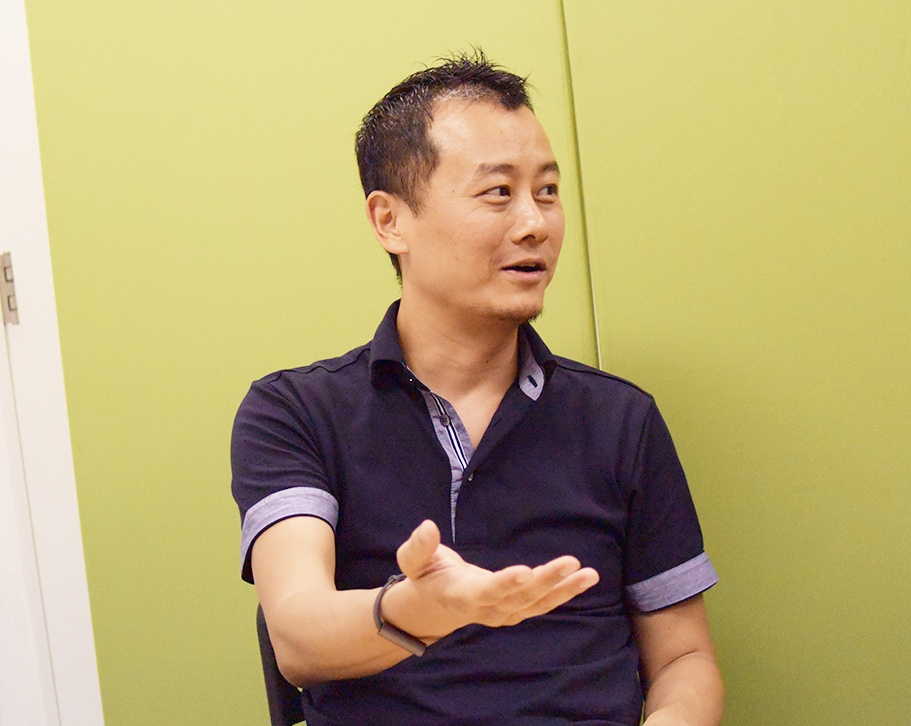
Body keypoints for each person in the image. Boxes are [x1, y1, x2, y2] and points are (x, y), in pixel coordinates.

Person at [232, 51, 723, 725]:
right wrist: (419, 609)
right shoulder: (295, 412)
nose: (535, 223)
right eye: (498, 192)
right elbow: (298, 636)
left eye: (547, 191)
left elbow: (683, 658)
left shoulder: (620, 419)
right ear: (390, 221)